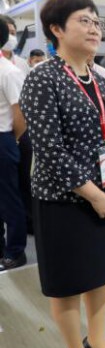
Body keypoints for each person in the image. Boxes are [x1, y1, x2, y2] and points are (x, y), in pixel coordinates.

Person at [19, 0, 105, 348]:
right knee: (67, 283)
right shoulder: (42, 78)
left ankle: (97, 340)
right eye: (84, 20)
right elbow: (49, 149)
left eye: (97, 22)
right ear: (56, 29)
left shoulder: (99, 79)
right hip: (64, 201)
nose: (94, 28)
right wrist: (95, 196)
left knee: (100, 273)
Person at [0, 17, 27, 271]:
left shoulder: (9, 71)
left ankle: (15, 251)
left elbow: (21, 115)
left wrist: (14, 139)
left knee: (9, 198)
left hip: (3, 139)